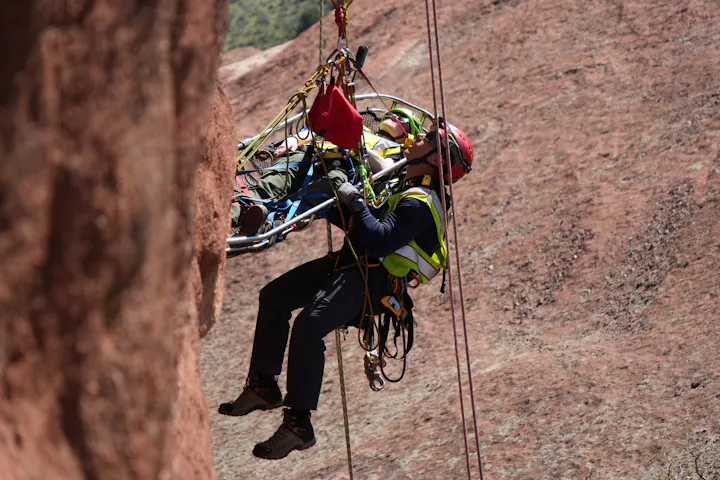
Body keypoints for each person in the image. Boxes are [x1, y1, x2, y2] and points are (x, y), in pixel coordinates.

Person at [218, 120, 474, 460]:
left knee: (309, 327)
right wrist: (336, 188)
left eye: (426, 139)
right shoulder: (411, 191)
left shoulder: (422, 203)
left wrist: (352, 198)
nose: (416, 139)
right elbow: (367, 226)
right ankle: (263, 385)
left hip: (372, 281)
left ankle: (298, 424)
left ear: (438, 159)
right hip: (353, 264)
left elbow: (379, 237)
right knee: (275, 296)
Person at [232, 109, 424, 236]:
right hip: (311, 155)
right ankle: (235, 212)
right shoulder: (361, 128)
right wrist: (295, 139)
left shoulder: (398, 153)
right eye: (391, 114)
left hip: (342, 170)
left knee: (314, 194)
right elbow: (316, 131)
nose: (392, 117)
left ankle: (270, 225)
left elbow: (383, 169)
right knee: (273, 182)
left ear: (409, 134)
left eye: (401, 118)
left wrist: (357, 144)